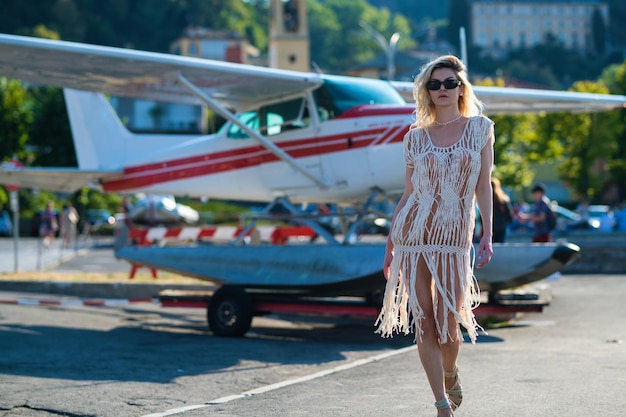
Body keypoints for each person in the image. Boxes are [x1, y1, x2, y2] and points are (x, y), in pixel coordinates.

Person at [375, 55, 494, 417]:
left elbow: (483, 184)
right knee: (424, 320)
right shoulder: (415, 137)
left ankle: (449, 370)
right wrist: (390, 246)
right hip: (414, 234)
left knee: (448, 321)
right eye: (434, 84)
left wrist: (488, 233)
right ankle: (441, 403)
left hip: (454, 235)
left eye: (449, 83)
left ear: (461, 89)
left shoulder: (480, 128)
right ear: (426, 91)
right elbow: (409, 193)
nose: (442, 89)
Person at [491, 177, 513, 243]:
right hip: (501, 226)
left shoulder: (486, 201)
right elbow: (510, 216)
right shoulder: (503, 200)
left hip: (490, 227)